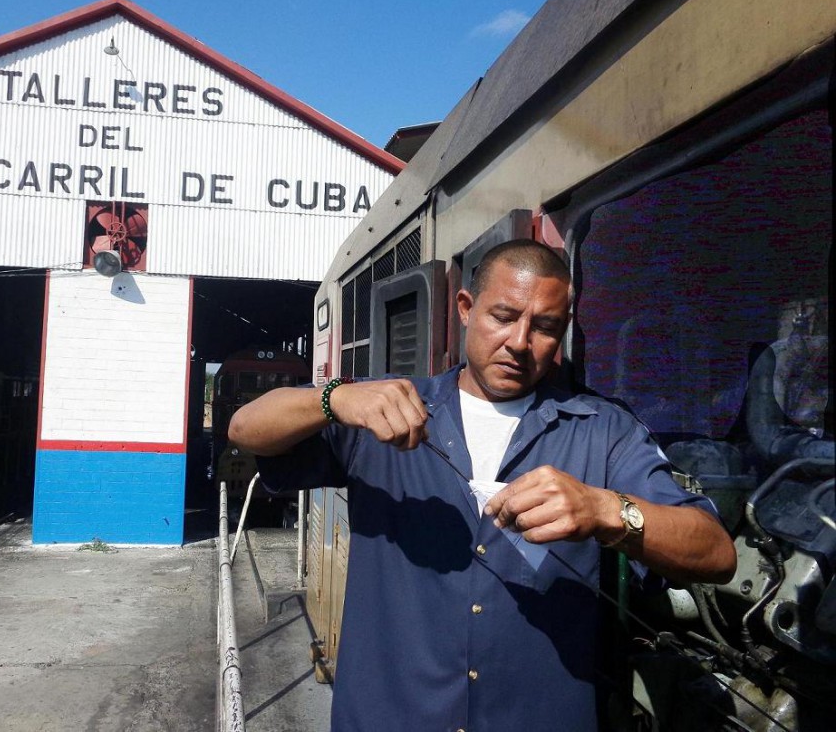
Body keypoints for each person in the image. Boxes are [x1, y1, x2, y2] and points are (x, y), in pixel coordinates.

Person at [229, 239, 736, 732]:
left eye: (545, 327)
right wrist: (333, 399)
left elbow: (715, 552)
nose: (519, 342)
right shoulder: (385, 410)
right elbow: (244, 429)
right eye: (504, 316)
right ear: (466, 308)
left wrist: (607, 509)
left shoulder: (604, 431)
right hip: (390, 716)